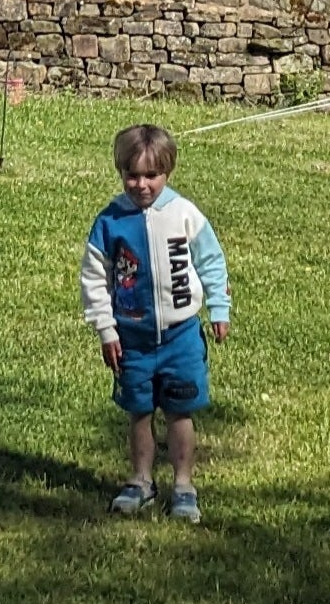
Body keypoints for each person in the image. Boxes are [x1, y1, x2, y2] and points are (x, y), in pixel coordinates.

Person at [81, 121, 228, 522]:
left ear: (168, 173)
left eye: (152, 175)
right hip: (132, 338)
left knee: (180, 411)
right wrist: (106, 328)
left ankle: (183, 484)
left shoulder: (184, 214)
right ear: (120, 173)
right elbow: (94, 279)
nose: (141, 184)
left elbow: (211, 261)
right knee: (139, 410)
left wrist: (218, 307)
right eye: (132, 175)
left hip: (180, 335)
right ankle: (141, 479)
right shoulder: (109, 223)